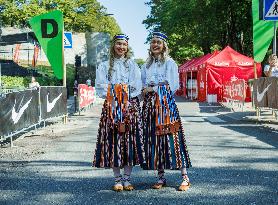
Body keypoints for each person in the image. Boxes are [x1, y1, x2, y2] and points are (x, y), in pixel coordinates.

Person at [92, 34, 144, 192]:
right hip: (112, 106)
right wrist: (116, 92)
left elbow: (137, 84)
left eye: (124, 44)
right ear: (113, 45)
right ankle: (117, 179)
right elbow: (100, 86)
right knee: (114, 141)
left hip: (129, 106)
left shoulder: (132, 65)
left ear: (127, 47)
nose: (121, 47)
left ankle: (127, 179)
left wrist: (124, 93)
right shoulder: (104, 65)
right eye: (119, 44)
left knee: (129, 142)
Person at [141, 32, 192, 191]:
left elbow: (173, 86)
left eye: (158, 42)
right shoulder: (146, 65)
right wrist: (146, 90)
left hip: (166, 105)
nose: (155, 45)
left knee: (173, 138)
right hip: (150, 105)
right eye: (153, 42)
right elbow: (142, 85)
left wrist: (153, 88)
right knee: (155, 141)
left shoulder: (170, 62)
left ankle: (185, 177)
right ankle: (161, 177)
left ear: (164, 45)